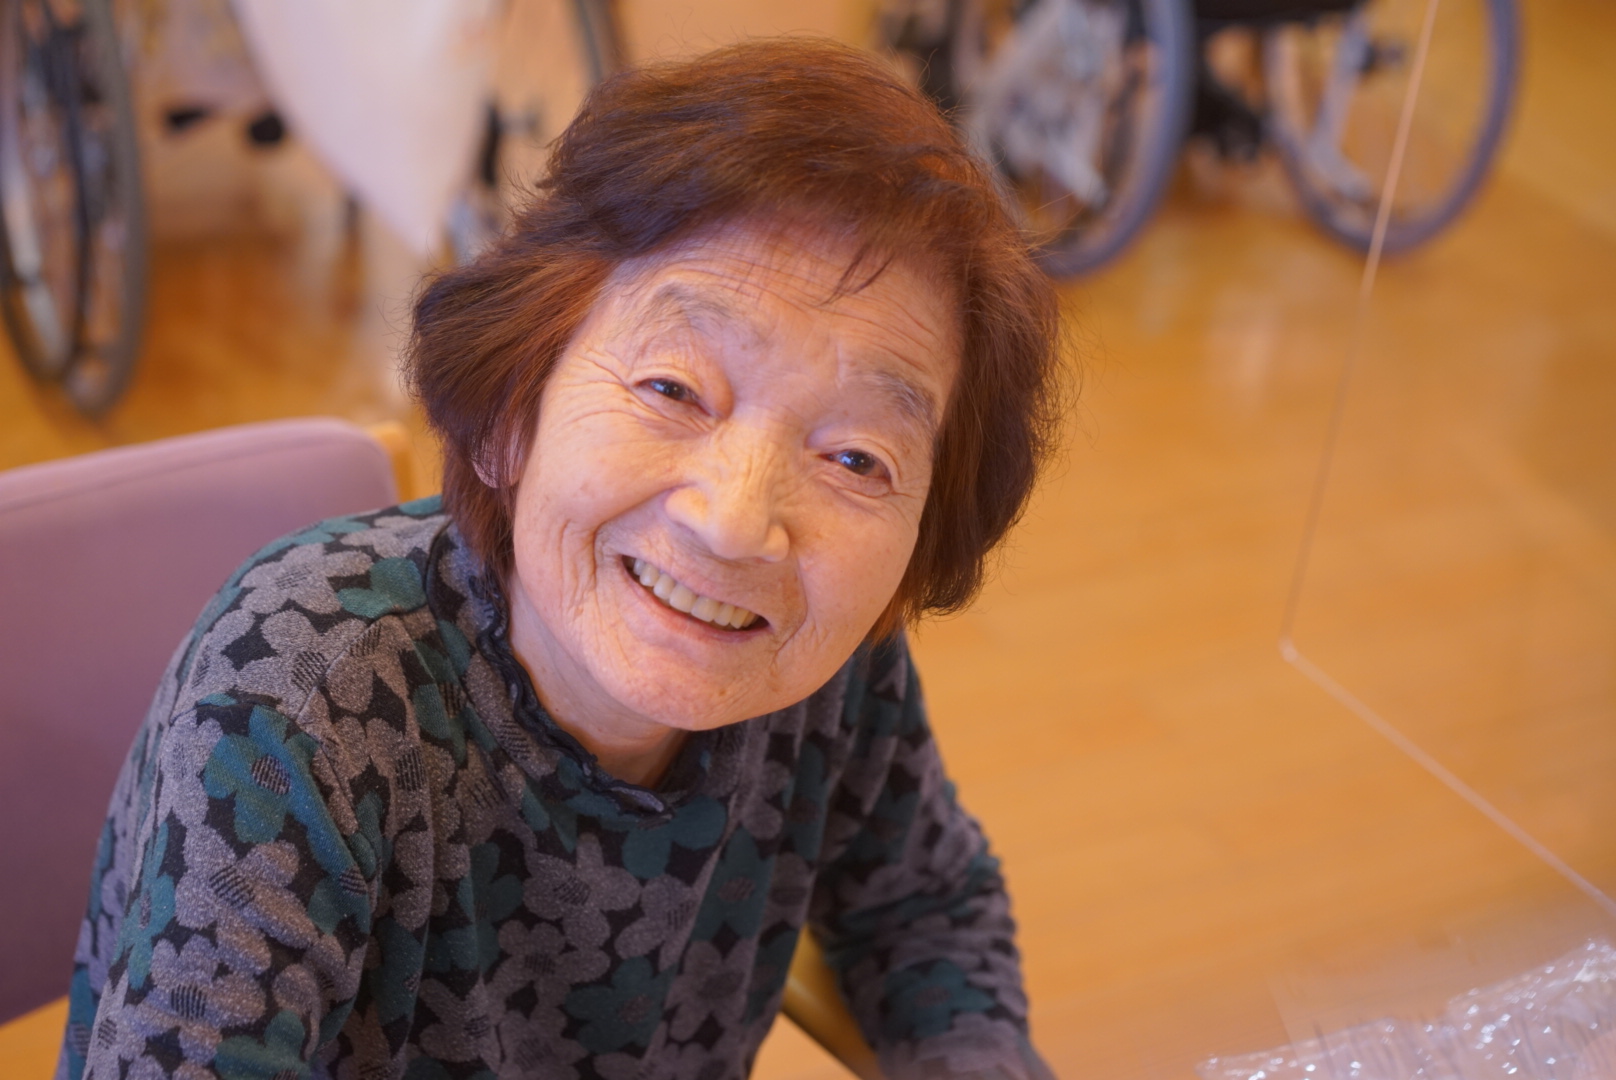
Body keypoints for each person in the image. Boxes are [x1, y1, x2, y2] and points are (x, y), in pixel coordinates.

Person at [58, 38, 1064, 1080]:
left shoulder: (829, 665)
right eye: (672, 390)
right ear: (509, 414)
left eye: (856, 458)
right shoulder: (301, 702)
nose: (734, 524)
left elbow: (924, 907)